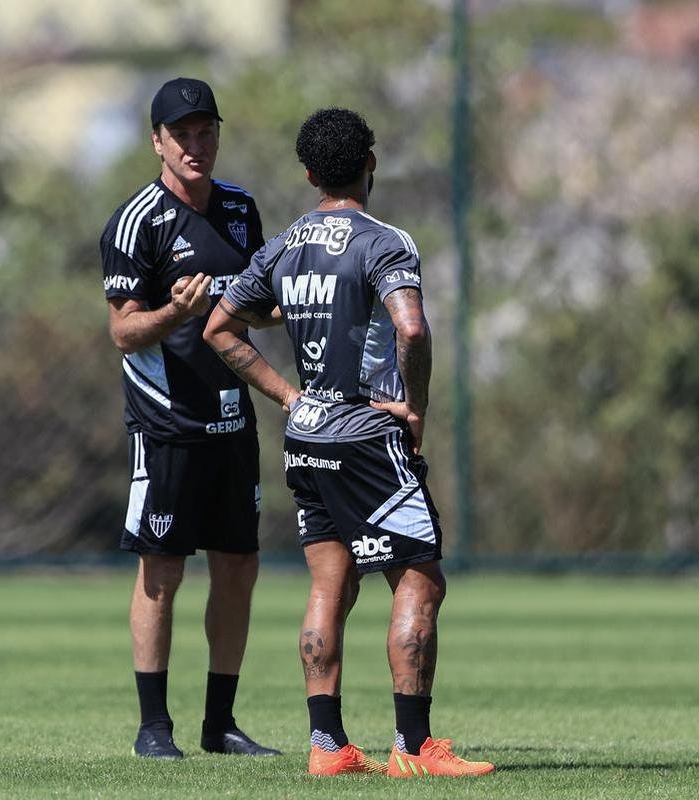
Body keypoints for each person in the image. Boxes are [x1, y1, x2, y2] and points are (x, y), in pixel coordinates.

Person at [204, 107, 494, 778]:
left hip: (305, 439)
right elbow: (413, 330)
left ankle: (327, 747)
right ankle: (415, 749)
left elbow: (220, 326)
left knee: (329, 583)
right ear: (371, 161)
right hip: (367, 437)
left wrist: (286, 396)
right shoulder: (384, 241)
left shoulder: (283, 245)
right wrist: (414, 409)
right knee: (419, 577)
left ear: (308, 173)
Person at [98, 77, 280, 761]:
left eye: (206, 132)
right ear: (157, 142)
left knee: (238, 568)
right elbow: (123, 333)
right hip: (166, 422)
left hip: (233, 419)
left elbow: (255, 309)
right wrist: (175, 312)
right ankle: (154, 727)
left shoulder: (239, 209)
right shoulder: (135, 222)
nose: (195, 146)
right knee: (162, 571)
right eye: (182, 135)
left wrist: (301, 305)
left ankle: (220, 723)